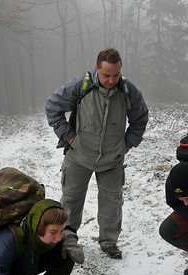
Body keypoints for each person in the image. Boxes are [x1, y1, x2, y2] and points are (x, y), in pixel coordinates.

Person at [45, 48, 149, 259]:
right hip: (78, 156)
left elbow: (140, 119)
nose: (111, 80)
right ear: (97, 69)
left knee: (112, 202)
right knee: (71, 200)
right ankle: (67, 238)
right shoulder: (80, 86)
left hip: (112, 159)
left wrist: (127, 144)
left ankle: (109, 243)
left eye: (116, 75)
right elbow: (53, 107)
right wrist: (69, 137)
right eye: (106, 75)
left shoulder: (128, 91)